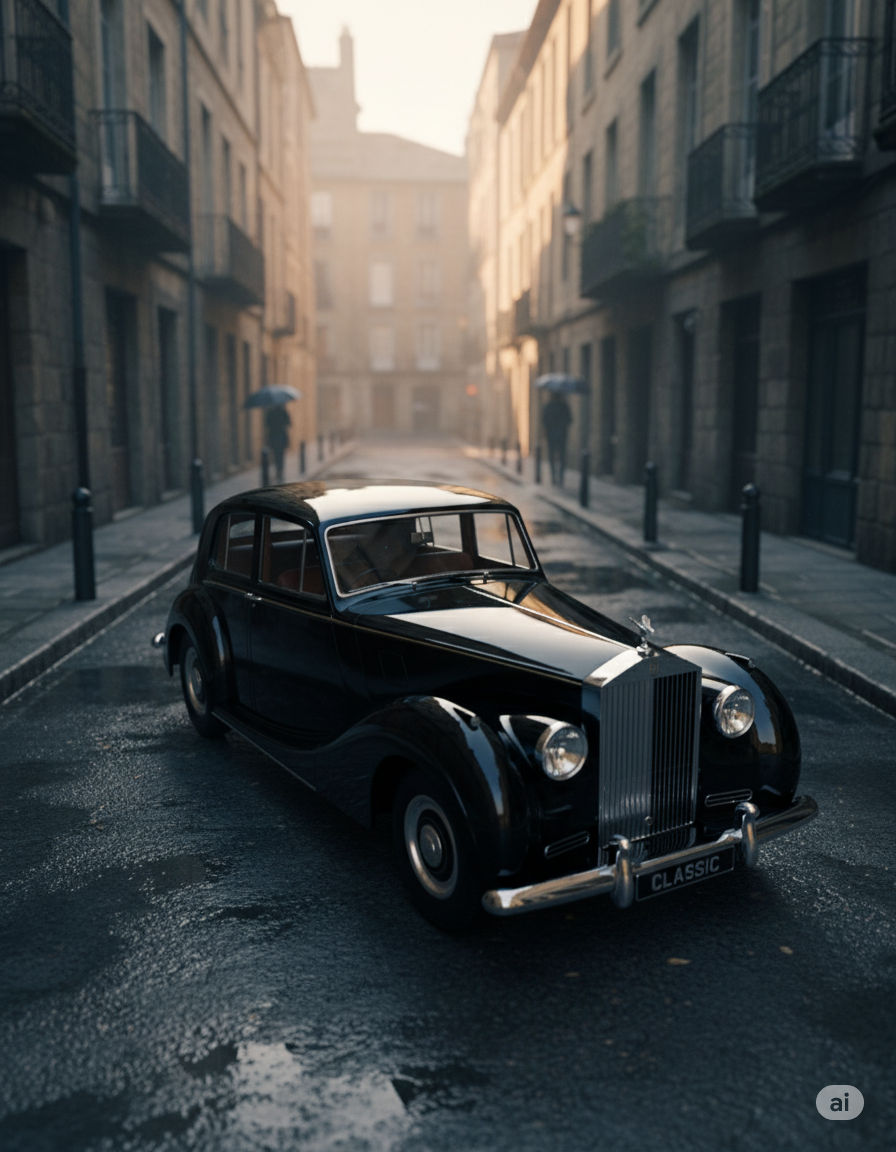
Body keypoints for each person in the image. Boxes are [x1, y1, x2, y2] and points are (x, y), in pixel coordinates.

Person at [542, 392, 572, 486]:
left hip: (551, 435)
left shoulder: (548, 406)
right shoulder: (564, 406)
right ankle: (561, 477)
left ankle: (553, 477)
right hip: (562, 435)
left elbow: (544, 420)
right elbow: (570, 420)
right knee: (562, 456)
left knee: (552, 455)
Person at [264, 404, 291, 483]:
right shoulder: (283, 412)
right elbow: (289, 423)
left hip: (273, 436)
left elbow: (267, 424)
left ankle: (278, 471)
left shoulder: (270, 413)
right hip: (281, 436)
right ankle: (280, 471)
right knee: (281, 455)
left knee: (275, 455)